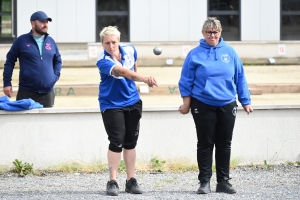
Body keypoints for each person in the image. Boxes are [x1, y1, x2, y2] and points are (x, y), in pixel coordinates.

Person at [178, 17, 253, 195]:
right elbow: (186, 81)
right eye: (209, 32)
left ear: (220, 33)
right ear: (203, 34)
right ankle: (204, 182)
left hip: (227, 103)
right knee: (205, 143)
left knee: (224, 143)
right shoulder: (194, 54)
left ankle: (223, 182)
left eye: (215, 32)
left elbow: (240, 77)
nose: (212, 35)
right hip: (202, 103)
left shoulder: (230, 52)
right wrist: (186, 104)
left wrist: (245, 100)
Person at [96, 26, 158, 196]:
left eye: (113, 42)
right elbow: (122, 72)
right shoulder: (102, 60)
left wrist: (136, 80)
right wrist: (144, 79)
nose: (111, 45)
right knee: (116, 141)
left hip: (132, 101)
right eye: (107, 43)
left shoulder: (130, 50)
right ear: (102, 44)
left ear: (119, 41)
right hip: (111, 104)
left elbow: (133, 67)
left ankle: (131, 180)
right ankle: (112, 181)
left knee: (131, 142)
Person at [3, 11, 62, 108]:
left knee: (47, 123)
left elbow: (58, 61)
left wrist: (54, 77)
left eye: (47, 22)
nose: (45, 25)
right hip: (26, 91)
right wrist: (7, 83)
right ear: (33, 23)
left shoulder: (51, 41)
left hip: (47, 94)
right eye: (42, 22)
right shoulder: (21, 41)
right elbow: (9, 61)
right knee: (23, 123)